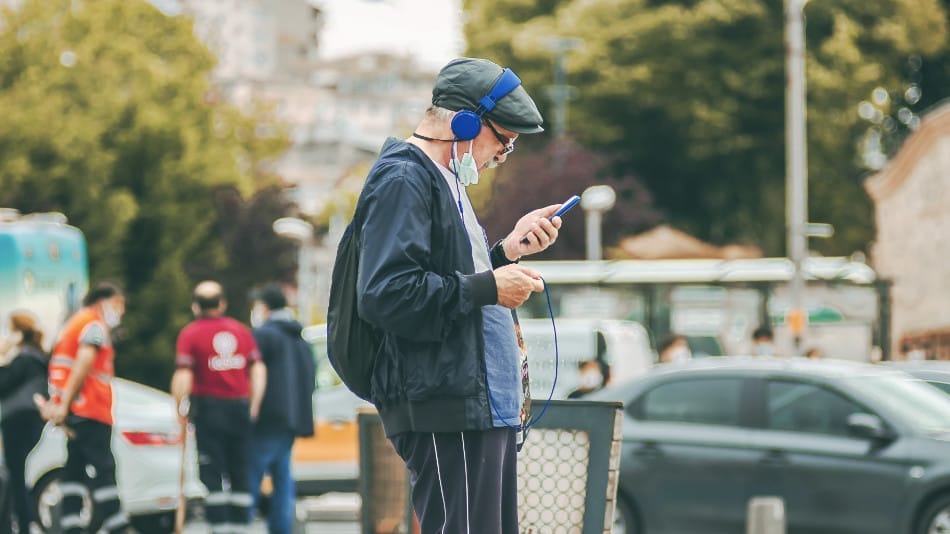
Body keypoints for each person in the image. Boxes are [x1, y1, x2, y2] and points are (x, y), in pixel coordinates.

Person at [350, 57, 560, 533]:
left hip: (476, 403)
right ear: (464, 123)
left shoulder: (444, 181)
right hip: (447, 402)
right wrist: (491, 285)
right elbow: (385, 293)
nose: (502, 156)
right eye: (503, 141)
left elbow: (451, 281)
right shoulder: (404, 179)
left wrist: (505, 253)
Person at [171, 281, 266, 533]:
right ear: (222, 304)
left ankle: (220, 528)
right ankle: (241, 528)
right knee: (240, 470)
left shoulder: (190, 334)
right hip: (239, 408)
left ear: (195, 306)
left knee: (212, 472)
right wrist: (253, 405)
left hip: (209, 411)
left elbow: (184, 375)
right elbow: (257, 370)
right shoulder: (241, 331)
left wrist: (179, 409)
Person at [37, 282, 131, 533]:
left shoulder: (74, 324)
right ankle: (119, 526)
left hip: (76, 411)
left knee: (75, 470)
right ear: (103, 302)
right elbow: (83, 364)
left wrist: (61, 406)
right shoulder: (93, 326)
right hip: (89, 409)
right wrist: (66, 404)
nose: (121, 312)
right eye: (118, 304)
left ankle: (71, 526)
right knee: (104, 468)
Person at [247, 285, 316, 534]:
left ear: (264, 307)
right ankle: (281, 528)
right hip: (292, 418)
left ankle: (238, 525)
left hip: (267, 416)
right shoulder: (299, 338)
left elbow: (253, 374)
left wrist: (251, 409)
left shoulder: (264, 336)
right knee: (282, 478)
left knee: (251, 474)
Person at [0, 311, 48, 534]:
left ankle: (21, 526)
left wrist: (2, 356)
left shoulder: (24, 360)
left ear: (19, 333)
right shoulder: (36, 357)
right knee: (15, 476)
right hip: (28, 422)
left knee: (15, 477)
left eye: (9, 330)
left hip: (17, 422)